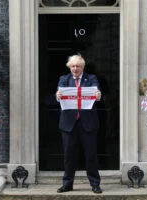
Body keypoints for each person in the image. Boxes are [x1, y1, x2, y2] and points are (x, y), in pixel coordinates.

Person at [56, 54, 102, 194]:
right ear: (69, 67)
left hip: (87, 123)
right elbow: (59, 95)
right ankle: (67, 184)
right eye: (73, 66)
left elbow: (96, 93)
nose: (76, 69)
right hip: (69, 124)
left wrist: (98, 95)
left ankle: (95, 184)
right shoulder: (64, 79)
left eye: (78, 66)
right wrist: (57, 96)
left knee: (91, 155)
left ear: (83, 67)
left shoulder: (92, 78)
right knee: (69, 155)